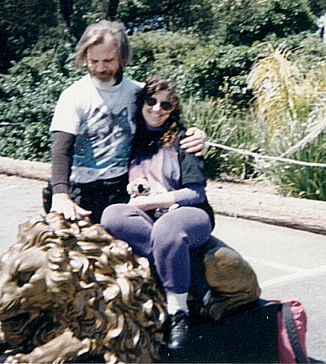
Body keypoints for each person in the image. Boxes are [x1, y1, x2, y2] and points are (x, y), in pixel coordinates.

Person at [49, 20, 207, 223]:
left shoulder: (137, 93)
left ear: (122, 58)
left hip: (123, 190)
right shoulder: (74, 96)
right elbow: (61, 148)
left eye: (108, 60)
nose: (99, 67)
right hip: (82, 190)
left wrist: (197, 135)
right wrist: (60, 194)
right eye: (93, 61)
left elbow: (167, 123)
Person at [100, 76, 215, 350]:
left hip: (189, 214)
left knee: (168, 229)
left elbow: (195, 193)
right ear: (142, 104)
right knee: (112, 216)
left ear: (172, 109)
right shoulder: (131, 140)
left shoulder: (185, 139)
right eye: (151, 101)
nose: (157, 109)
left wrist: (150, 203)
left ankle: (178, 312)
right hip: (150, 219)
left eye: (166, 104)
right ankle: (186, 273)